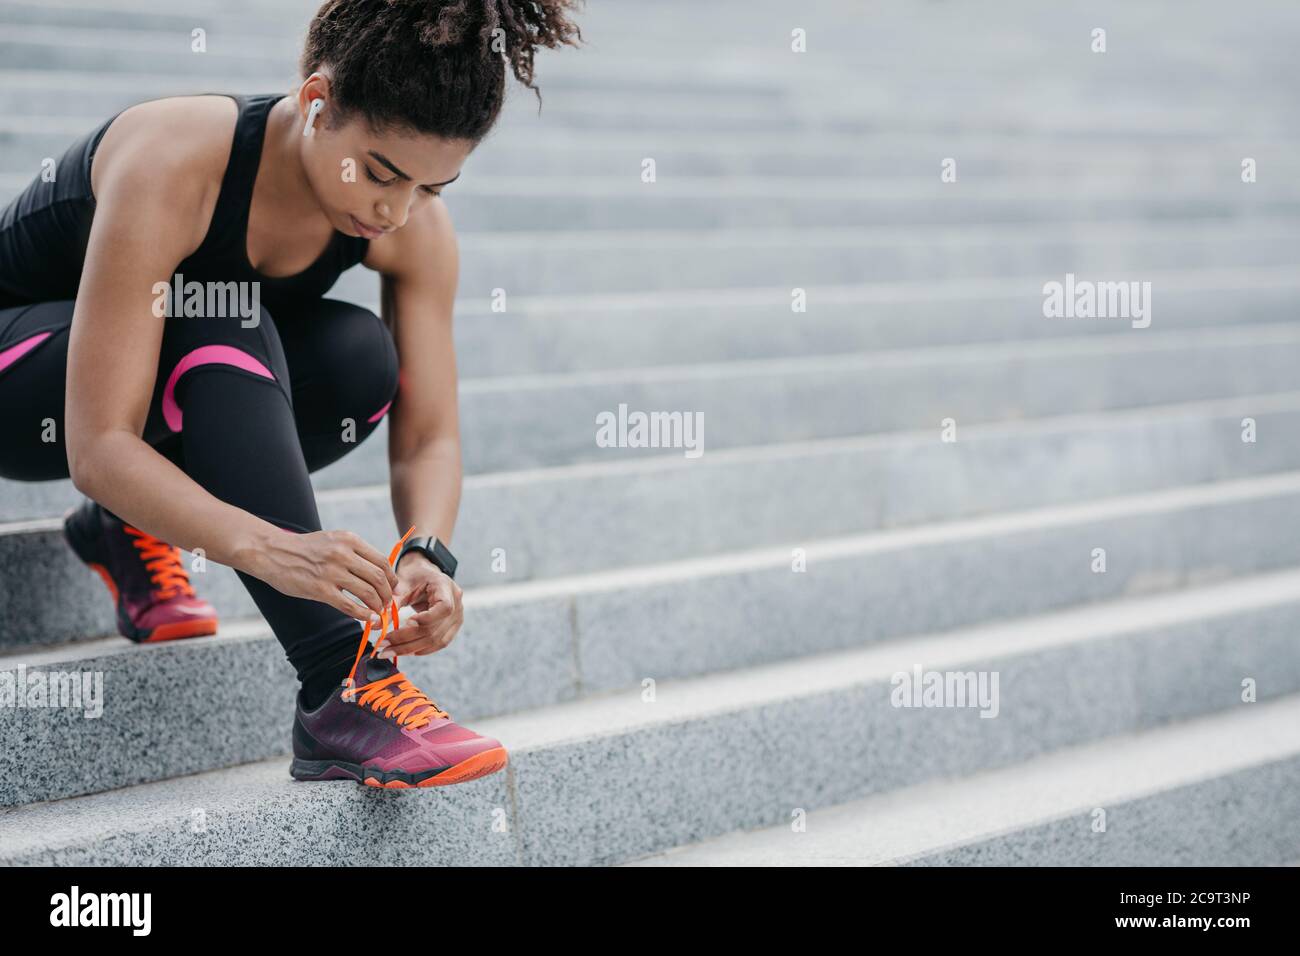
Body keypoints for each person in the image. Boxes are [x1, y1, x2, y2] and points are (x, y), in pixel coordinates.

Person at [0, 0, 583, 788]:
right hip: (26, 385)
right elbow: (98, 446)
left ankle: (124, 526)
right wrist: (271, 549)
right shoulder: (175, 159)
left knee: (359, 361)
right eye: (380, 171)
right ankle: (342, 685)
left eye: (431, 185)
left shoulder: (411, 223)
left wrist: (427, 551)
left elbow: (429, 437)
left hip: (154, 389)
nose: (395, 210)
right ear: (316, 103)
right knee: (221, 312)